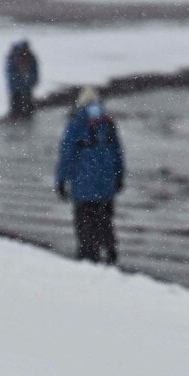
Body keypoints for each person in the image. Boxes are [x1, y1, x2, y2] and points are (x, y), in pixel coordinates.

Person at [54, 87, 126, 264]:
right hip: (106, 184)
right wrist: (119, 177)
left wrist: (61, 180)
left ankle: (88, 254)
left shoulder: (76, 122)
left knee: (84, 221)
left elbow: (67, 153)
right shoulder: (108, 122)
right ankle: (110, 250)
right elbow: (117, 152)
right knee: (105, 219)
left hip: (83, 184)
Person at [5, 40, 40, 120]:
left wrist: (30, 81)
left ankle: (25, 117)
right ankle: (18, 119)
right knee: (17, 103)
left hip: (25, 86)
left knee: (26, 103)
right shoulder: (14, 57)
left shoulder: (29, 57)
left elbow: (34, 71)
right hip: (17, 87)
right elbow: (11, 73)